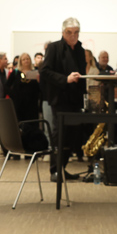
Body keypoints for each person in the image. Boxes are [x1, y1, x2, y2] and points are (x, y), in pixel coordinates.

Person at [39, 18, 87, 180]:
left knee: (72, 136)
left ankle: (62, 168)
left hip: (75, 98)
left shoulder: (80, 50)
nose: (73, 36)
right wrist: (65, 79)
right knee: (59, 134)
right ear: (63, 32)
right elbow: (45, 71)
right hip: (60, 98)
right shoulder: (54, 48)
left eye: (76, 32)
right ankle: (55, 170)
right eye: (69, 32)